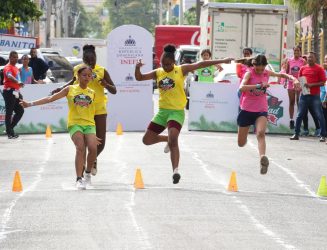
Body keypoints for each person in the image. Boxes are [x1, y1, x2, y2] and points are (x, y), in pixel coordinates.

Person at [135, 44, 232, 184]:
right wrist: (137, 67)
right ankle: (166, 139)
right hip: (162, 112)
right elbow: (139, 78)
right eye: (163, 64)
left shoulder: (181, 70)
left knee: (174, 138)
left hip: (176, 112)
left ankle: (175, 171)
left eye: (168, 64)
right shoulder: (158, 72)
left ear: (174, 62)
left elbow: (201, 64)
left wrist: (221, 60)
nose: (165, 67)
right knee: (146, 140)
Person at [20, 65, 99, 190]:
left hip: (89, 124)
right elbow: (50, 98)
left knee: (93, 148)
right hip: (75, 123)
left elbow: (93, 112)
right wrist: (30, 104)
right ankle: (79, 179)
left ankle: (88, 174)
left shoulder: (92, 93)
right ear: (77, 76)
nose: (87, 78)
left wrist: (94, 135)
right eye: (84, 75)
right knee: (80, 147)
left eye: (89, 75)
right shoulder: (70, 89)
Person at [51, 45, 117, 176]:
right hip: (83, 110)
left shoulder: (102, 71)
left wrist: (106, 84)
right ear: (83, 59)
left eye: (93, 60)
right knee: (85, 144)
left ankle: (93, 159)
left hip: (99, 109)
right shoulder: (78, 69)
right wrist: (60, 88)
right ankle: (81, 174)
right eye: (88, 60)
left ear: (96, 58)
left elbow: (114, 90)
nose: (91, 63)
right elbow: (72, 82)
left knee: (101, 143)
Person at [238, 55, 298, 175]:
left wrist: (293, 79)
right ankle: (245, 140)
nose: (260, 71)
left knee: (261, 133)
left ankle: (262, 158)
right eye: (258, 68)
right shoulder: (249, 73)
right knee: (241, 143)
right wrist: (258, 86)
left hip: (261, 109)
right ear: (254, 65)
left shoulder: (266, 72)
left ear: (265, 66)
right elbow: (241, 88)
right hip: (247, 109)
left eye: (262, 68)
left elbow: (281, 75)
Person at [290, 51, 326, 142]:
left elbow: (323, 82)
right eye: (308, 57)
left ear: (315, 59)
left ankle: (323, 135)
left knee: (319, 115)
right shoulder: (302, 68)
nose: (309, 59)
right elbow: (299, 80)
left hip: (315, 96)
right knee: (299, 115)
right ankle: (296, 134)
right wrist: (297, 85)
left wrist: (311, 85)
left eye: (311, 57)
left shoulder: (319, 69)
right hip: (304, 95)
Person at [2, 51, 24, 139]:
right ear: (10, 57)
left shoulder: (16, 68)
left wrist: (19, 91)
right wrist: (17, 81)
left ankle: (9, 129)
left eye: (17, 57)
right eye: (14, 57)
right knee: (9, 112)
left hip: (15, 92)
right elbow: (9, 76)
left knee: (20, 111)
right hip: (9, 92)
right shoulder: (8, 67)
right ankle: (10, 133)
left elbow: (18, 81)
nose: (16, 59)